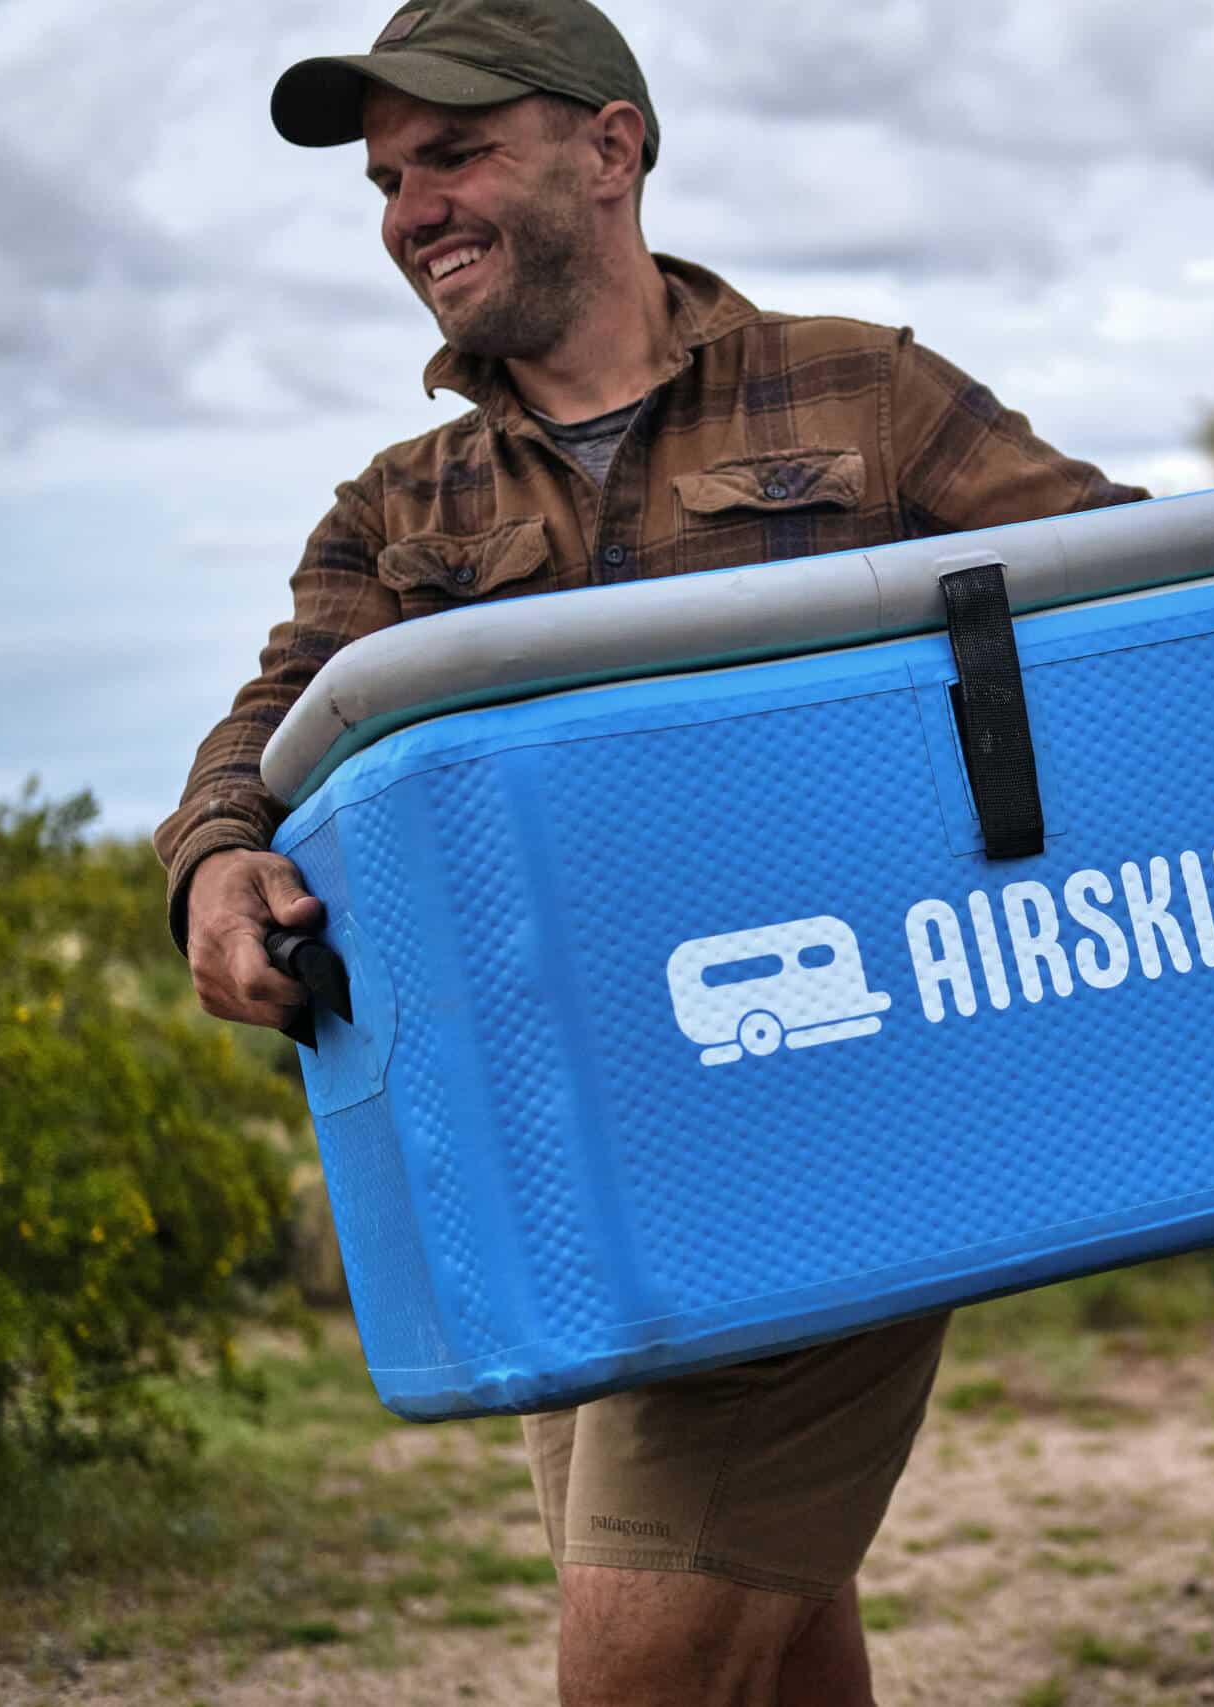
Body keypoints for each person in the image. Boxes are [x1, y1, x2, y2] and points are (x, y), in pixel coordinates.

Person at [151, 2, 1147, 1701]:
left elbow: (1133, 612)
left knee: (645, 1657)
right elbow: (272, 724)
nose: (410, 210)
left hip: (847, 1115)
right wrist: (214, 857)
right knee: (768, 1638)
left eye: (453, 153)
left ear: (610, 148)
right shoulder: (400, 510)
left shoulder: (865, 391)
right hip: (577, 1165)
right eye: (388, 180)